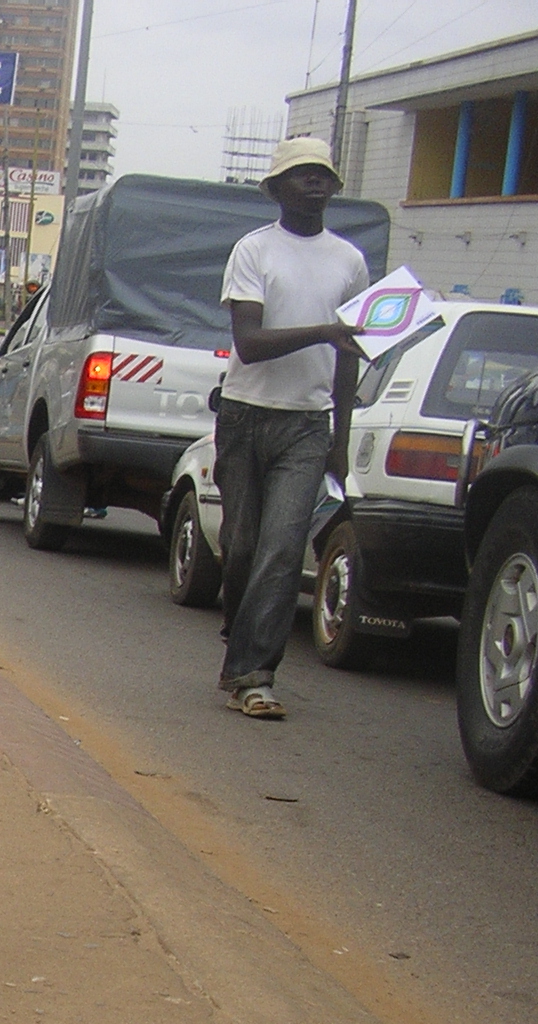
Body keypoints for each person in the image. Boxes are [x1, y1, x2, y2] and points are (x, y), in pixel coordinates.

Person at [214, 137, 371, 721]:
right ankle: (240, 629)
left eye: (323, 174)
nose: (314, 183)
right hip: (244, 415)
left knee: (281, 552)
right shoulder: (254, 251)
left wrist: (341, 438)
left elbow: (351, 353)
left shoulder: (349, 262)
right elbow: (250, 346)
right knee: (243, 547)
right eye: (301, 175)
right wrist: (325, 331)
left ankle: (255, 676)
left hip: (308, 425)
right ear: (276, 189)